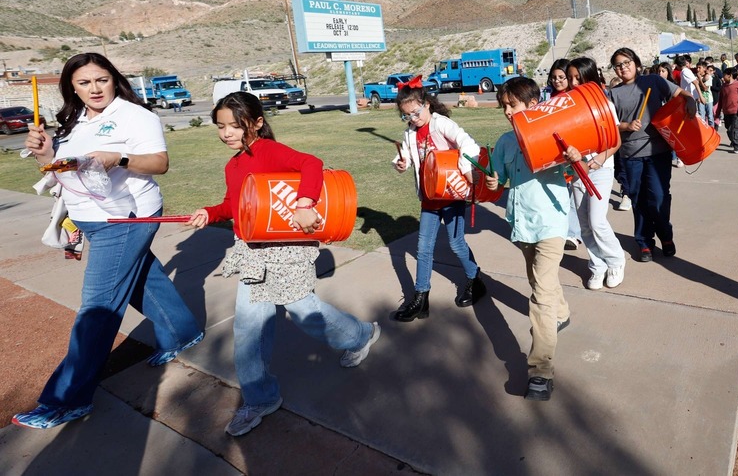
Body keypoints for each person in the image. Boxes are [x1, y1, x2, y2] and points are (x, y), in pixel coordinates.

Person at [14, 53, 204, 430]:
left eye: (101, 79)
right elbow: (65, 169)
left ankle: (67, 399)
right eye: (84, 83)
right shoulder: (74, 120)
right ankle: (184, 332)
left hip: (126, 218)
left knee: (97, 308)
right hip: (90, 217)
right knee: (141, 278)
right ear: (72, 87)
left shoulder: (137, 116)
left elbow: (159, 163)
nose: (94, 88)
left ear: (114, 79)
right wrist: (46, 153)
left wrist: (118, 157)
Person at [187, 92, 379, 436]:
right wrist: (210, 212)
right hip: (253, 252)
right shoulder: (232, 165)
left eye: (236, 125)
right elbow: (234, 204)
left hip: (286, 250)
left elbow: (312, 164)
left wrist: (305, 202)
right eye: (220, 126)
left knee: (303, 310)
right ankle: (260, 397)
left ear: (257, 123)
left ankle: (360, 334)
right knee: (248, 328)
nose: (227, 133)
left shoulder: (268, 151)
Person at [484, 77, 582, 401]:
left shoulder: (553, 133)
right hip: (522, 223)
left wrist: (573, 157)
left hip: (552, 223)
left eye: (513, 104)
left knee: (540, 293)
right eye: (504, 106)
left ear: (532, 103)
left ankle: (540, 371)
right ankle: (563, 314)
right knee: (541, 281)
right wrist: (492, 179)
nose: (507, 111)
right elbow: (498, 182)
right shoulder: (504, 142)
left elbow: (573, 171)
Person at [391, 77, 488, 321]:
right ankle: (421, 298)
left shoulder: (442, 123)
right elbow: (407, 155)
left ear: (426, 104)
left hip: (450, 194)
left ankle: (475, 279)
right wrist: (401, 163)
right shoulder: (411, 132)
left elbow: (469, 144)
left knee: (456, 244)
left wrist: (466, 168)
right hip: (429, 198)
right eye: (407, 116)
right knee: (423, 249)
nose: (413, 119)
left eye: (415, 113)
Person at [608, 47, 692, 262]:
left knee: (659, 197)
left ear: (636, 62)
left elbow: (680, 93)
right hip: (630, 154)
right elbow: (608, 125)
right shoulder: (613, 94)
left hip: (658, 151)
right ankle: (644, 242)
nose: (623, 67)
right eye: (618, 65)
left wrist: (689, 100)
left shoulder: (653, 81)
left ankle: (665, 235)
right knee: (639, 200)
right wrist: (625, 125)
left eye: (626, 62)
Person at [567, 57, 628, 290]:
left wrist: (598, 160)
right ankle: (597, 265)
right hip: (576, 170)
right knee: (583, 223)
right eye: (570, 77)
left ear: (590, 78)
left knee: (597, 220)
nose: (574, 83)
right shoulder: (567, 107)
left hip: (601, 169)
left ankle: (615, 260)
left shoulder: (605, 105)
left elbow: (615, 140)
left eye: (578, 78)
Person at [548, 59, 583, 251]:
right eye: (554, 78)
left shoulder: (574, 96)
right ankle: (563, 230)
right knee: (563, 191)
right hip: (557, 150)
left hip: (575, 148)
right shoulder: (551, 97)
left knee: (573, 194)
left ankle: (573, 234)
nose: (557, 81)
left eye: (561, 77)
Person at [715, 67, 738, 154]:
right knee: (729, 129)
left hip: (736, 112)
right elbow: (720, 100)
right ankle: (733, 141)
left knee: (736, 129)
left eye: (724, 75)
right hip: (726, 112)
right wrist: (717, 113)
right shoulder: (724, 86)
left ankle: (737, 146)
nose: (723, 76)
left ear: (730, 76)